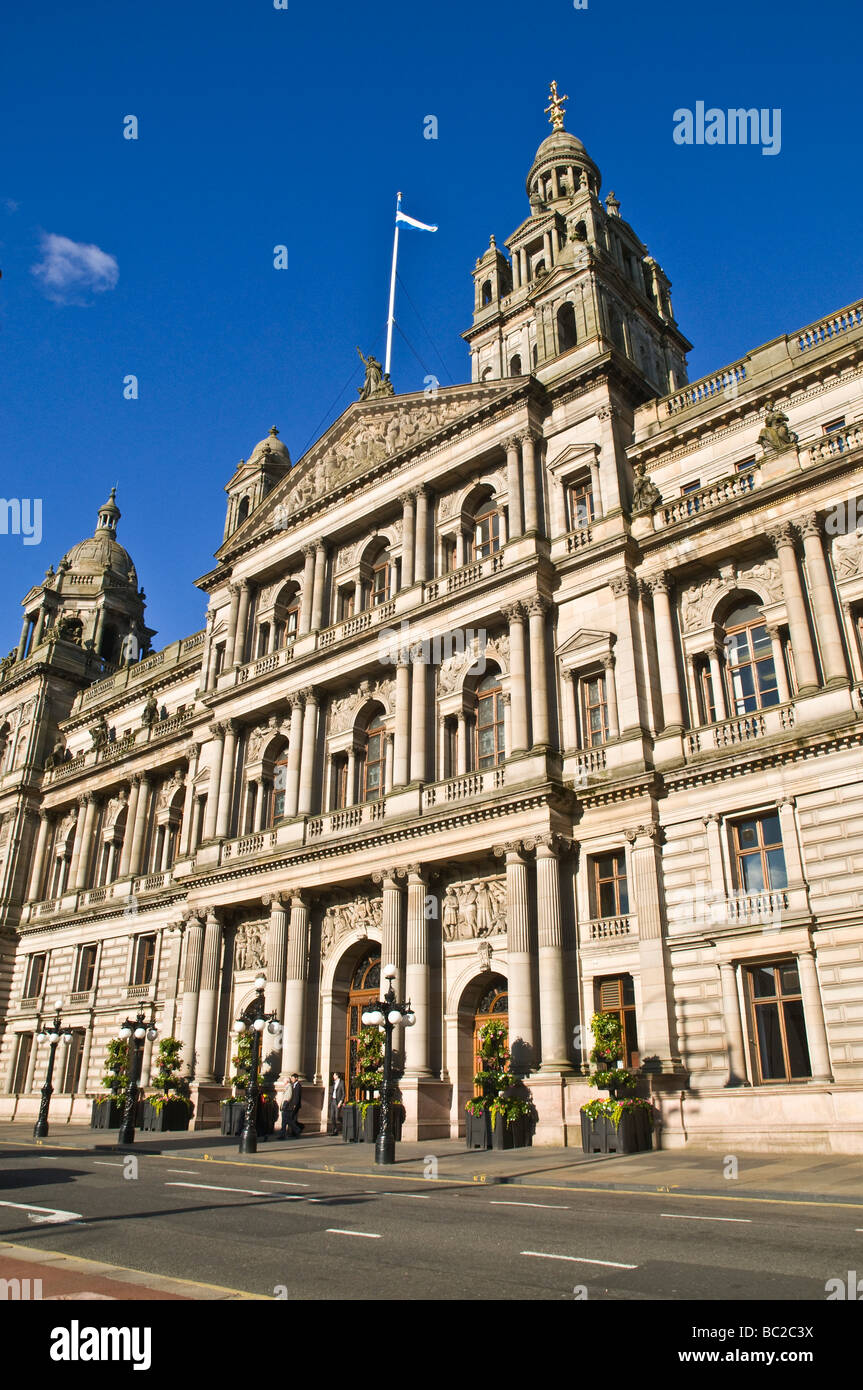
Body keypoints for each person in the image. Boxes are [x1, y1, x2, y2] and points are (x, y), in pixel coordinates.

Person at [279, 1074, 303, 1138]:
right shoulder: (291, 1086)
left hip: (289, 1106)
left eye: (293, 1078)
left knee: (288, 1120)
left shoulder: (293, 1086)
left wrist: (294, 1104)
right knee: (289, 1120)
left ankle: (294, 1131)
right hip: (289, 1106)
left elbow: (293, 1096)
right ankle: (295, 1131)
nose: (292, 1079)